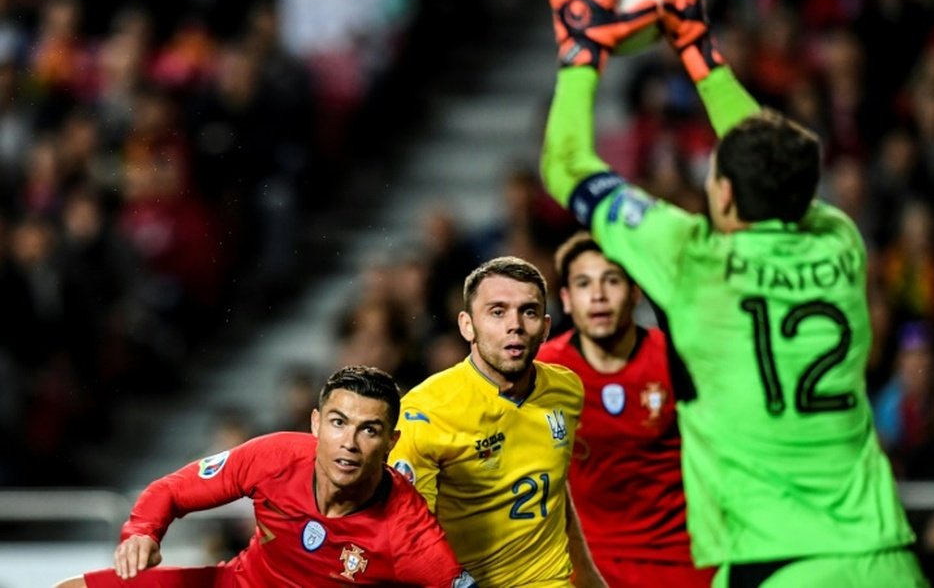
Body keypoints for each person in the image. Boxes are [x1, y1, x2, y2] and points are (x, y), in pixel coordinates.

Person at [540, 0, 927, 588]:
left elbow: (566, 162)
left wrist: (582, 50)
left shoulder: (694, 261)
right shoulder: (838, 239)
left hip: (772, 563)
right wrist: (700, 47)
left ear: (721, 194)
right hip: (885, 556)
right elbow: (776, 154)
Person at [53, 366, 476, 588]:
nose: (349, 442)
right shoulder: (275, 456)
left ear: (391, 442)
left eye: (369, 430)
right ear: (315, 424)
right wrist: (142, 531)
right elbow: (173, 490)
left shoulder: (410, 535)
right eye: (338, 422)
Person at [388, 256, 607, 588]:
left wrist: (589, 577)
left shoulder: (567, 389)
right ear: (466, 325)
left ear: (546, 328)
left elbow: (555, 489)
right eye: (497, 311)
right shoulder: (425, 412)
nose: (515, 325)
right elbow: (407, 538)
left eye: (528, 311)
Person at [536, 232, 714, 587]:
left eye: (612, 281)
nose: (598, 295)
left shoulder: (677, 360)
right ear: (567, 300)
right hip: (583, 559)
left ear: (635, 292)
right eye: (584, 284)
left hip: (681, 556)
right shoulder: (545, 371)